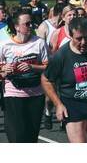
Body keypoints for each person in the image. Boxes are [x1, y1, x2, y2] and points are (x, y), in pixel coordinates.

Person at [0, 9, 50, 142]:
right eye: (27, 24)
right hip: (13, 93)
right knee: (19, 133)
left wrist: (32, 67)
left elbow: (48, 68)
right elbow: (1, 70)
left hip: (36, 93)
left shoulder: (39, 43)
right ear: (17, 27)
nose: (31, 26)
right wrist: (3, 69)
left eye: (32, 23)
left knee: (32, 135)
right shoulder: (4, 45)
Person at [36, 2, 66, 130]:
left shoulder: (68, 26)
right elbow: (38, 45)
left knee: (65, 92)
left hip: (66, 64)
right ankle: (48, 113)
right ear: (61, 14)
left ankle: (63, 120)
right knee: (50, 96)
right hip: (51, 64)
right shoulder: (45, 26)